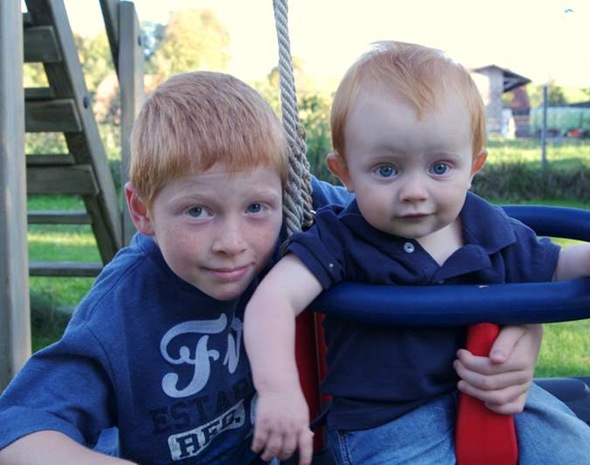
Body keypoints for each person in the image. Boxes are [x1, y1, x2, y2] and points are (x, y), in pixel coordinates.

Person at [0, 71, 543, 464]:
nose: (232, 243)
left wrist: (523, 326)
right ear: (141, 210)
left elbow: (451, 240)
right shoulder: (124, 307)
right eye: (197, 212)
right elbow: (18, 432)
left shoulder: (307, 214)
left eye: (256, 208)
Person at [243, 41, 590, 465]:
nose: (414, 191)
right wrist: (279, 392)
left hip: (495, 396)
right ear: (345, 173)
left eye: (440, 167)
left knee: (577, 453)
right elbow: (273, 300)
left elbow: (553, 265)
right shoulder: (341, 238)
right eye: (386, 170)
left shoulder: (487, 226)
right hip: (389, 422)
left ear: (474, 166)